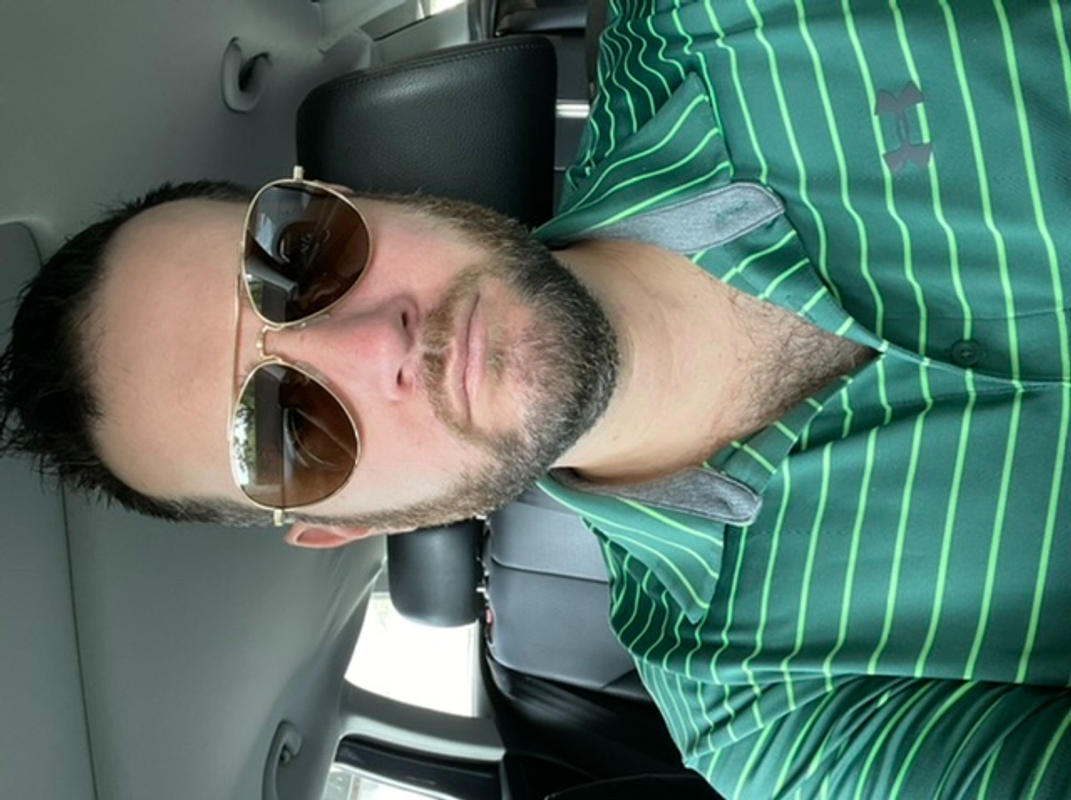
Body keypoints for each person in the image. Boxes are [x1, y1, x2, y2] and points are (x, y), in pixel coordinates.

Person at [3, 0, 1069, 797]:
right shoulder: (772, 715)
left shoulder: (734, 20)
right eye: (286, 431)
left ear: (338, 193)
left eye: (291, 258)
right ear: (347, 525)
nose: (373, 343)